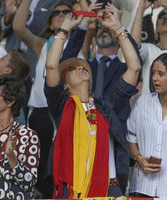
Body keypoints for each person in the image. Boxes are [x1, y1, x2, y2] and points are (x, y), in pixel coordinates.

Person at [44, 5, 141, 198]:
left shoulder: (105, 106)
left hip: (108, 189)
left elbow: (135, 68)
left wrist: (117, 28)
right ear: (64, 85)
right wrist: (64, 29)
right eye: (72, 69)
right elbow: (51, 65)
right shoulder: (61, 106)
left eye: (84, 67)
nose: (80, 68)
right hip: (71, 189)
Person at [13, 0, 92, 197]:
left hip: (70, 110)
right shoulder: (42, 44)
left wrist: (82, 9)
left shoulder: (82, 40)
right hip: (41, 111)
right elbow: (18, 27)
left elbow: (86, 21)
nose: (61, 14)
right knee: (38, 164)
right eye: (56, 12)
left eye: (67, 12)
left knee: (61, 163)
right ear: (49, 22)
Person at [127, 53, 167, 198]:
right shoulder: (143, 102)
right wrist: (139, 159)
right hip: (141, 186)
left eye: (161, 74)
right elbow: (131, 138)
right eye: (153, 73)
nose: (155, 78)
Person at [131, 0, 167, 94]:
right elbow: (133, 46)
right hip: (149, 106)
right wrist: (140, 9)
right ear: (156, 29)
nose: (165, 18)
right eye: (161, 16)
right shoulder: (149, 49)